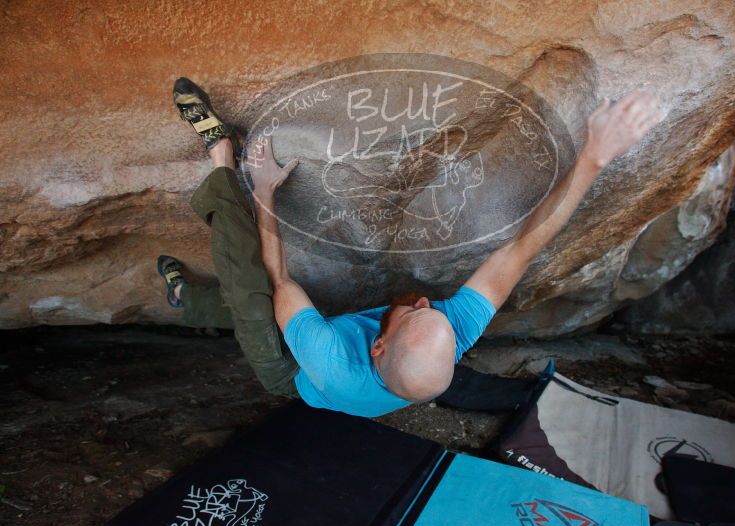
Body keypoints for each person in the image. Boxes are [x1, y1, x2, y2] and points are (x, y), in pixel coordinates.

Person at [158, 77, 663, 417]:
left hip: (289, 371)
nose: (427, 302)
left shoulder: (329, 359)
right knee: (269, 301)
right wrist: (594, 159)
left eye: (416, 314)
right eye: (436, 314)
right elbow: (520, 251)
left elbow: (279, 279)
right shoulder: (446, 338)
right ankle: (186, 301)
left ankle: (220, 154)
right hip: (345, 341)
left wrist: (265, 190)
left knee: (250, 293)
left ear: (378, 346)